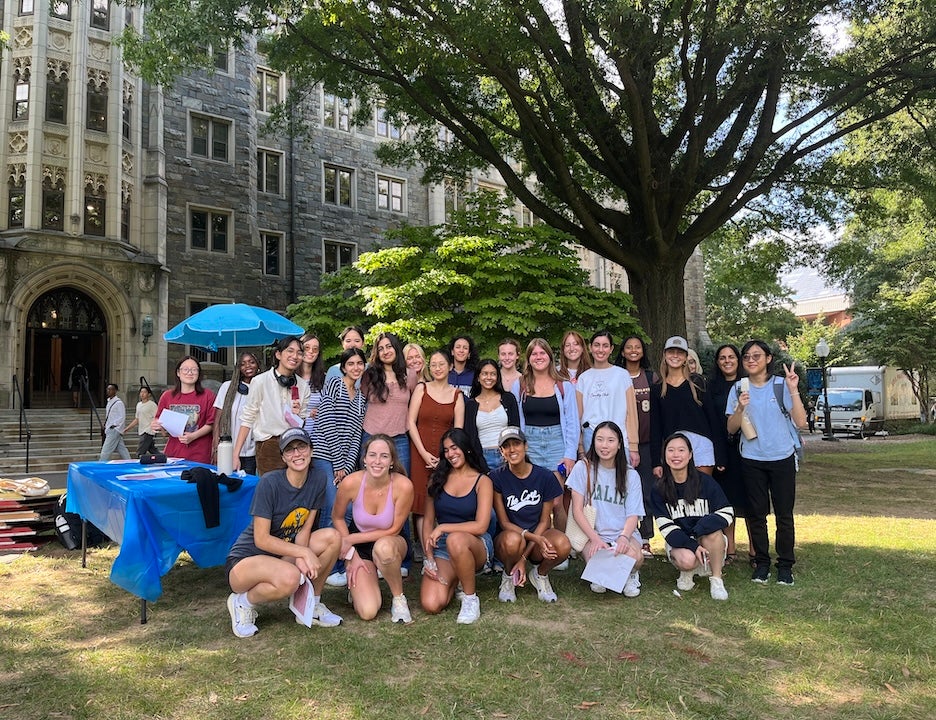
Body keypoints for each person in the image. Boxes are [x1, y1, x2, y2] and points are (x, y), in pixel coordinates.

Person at [225, 428, 343, 637]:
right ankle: (242, 602)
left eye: (301, 447)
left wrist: (302, 552)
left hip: (283, 554)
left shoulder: (317, 479)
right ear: (283, 457)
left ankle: (310, 605)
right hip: (246, 561)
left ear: (311, 450)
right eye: (289, 450)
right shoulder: (270, 482)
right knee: (290, 578)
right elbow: (261, 539)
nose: (297, 454)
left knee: (332, 538)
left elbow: (304, 529)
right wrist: (303, 553)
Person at [727, 340, 807, 586]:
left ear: (768, 358)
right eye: (747, 357)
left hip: (781, 457)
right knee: (756, 515)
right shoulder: (739, 388)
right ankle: (761, 563)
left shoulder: (781, 384)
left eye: (757, 355)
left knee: (784, 515)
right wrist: (740, 407)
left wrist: (793, 389)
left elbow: (801, 422)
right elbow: (731, 428)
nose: (751, 360)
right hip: (752, 459)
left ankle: (785, 565)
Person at [332, 434, 415, 623]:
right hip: (360, 549)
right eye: (372, 455)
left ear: (392, 461)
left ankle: (398, 598)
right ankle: (360, 587)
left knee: (383, 549)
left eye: (384, 456)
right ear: (364, 459)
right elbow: (336, 517)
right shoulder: (351, 482)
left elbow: (394, 529)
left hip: (391, 541)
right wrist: (351, 554)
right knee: (368, 611)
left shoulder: (403, 486)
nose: (377, 461)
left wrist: (351, 540)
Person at [420, 429, 494, 624]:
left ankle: (470, 598)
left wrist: (444, 528)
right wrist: (429, 558)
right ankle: (457, 578)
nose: (451, 454)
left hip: (474, 543)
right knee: (432, 603)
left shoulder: (482, 481)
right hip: (443, 547)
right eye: (446, 450)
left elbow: (481, 525)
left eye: (455, 447)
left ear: (466, 448)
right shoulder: (437, 479)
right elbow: (428, 522)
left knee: (456, 539)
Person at [651, 432, 734, 601]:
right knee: (687, 560)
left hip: (705, 537)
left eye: (681, 450)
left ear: (690, 455)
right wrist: (692, 543)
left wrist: (698, 531)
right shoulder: (659, 489)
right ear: (664, 455)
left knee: (714, 533)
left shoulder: (706, 482)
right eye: (671, 450)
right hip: (679, 542)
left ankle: (717, 579)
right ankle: (687, 572)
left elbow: (727, 512)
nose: (676, 455)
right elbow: (667, 529)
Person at [491, 427, 569, 603]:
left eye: (516, 443)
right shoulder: (496, 477)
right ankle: (508, 576)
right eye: (507, 446)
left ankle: (540, 575)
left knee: (562, 543)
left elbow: (544, 521)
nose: (512, 449)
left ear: (525, 446)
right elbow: (504, 522)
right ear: (501, 451)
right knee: (512, 541)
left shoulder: (545, 476)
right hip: (511, 537)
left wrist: (525, 556)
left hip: (538, 534)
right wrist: (532, 540)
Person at [566, 421, 644, 597]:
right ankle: (609, 573)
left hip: (623, 533)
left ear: (619, 444)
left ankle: (630, 574)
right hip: (592, 533)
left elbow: (633, 514)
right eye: (600, 439)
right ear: (593, 442)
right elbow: (577, 511)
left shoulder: (631, 475)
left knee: (636, 557)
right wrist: (594, 539)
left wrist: (624, 538)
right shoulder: (582, 468)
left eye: (610, 440)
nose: (604, 445)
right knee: (597, 558)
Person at [311, 347, 368, 587]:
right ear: (343, 367)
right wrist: (337, 463)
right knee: (333, 506)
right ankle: (328, 565)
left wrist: (347, 465)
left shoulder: (361, 397)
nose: (356, 367)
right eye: (351, 363)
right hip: (325, 455)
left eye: (359, 363)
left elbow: (356, 434)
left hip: (345, 462)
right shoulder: (334, 385)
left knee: (345, 509)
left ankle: (338, 560)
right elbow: (325, 420)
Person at [511, 338, 579, 532]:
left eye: (542, 353)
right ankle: (538, 546)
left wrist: (570, 455)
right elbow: (516, 421)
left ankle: (561, 547)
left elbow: (573, 423)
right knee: (534, 500)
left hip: (557, 443)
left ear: (550, 356)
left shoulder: (564, 386)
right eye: (534, 354)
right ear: (528, 358)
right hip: (530, 444)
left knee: (556, 501)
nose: (538, 357)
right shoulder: (520, 385)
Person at [408, 349, 465, 555]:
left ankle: (444, 546)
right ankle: (426, 553)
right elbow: (410, 422)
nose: (438, 368)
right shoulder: (421, 388)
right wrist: (423, 453)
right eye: (433, 364)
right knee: (422, 501)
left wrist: (445, 457)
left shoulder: (457, 395)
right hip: (419, 452)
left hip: (446, 455)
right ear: (428, 368)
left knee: (443, 498)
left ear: (450, 366)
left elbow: (458, 431)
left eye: (442, 364)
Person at [650, 336, 725, 479]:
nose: (675, 356)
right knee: (679, 495)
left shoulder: (698, 383)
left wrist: (720, 455)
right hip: (674, 448)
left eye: (680, 352)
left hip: (701, 445)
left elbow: (713, 420)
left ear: (685, 357)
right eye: (671, 351)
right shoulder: (657, 389)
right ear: (665, 355)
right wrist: (656, 462)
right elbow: (655, 428)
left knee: (702, 492)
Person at [233, 337, 308, 476]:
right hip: (268, 444)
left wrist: (297, 415)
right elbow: (247, 418)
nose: (295, 356)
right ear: (278, 354)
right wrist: (235, 454)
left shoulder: (303, 386)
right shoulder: (260, 381)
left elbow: (302, 421)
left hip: (294, 443)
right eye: (290, 351)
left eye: (299, 353)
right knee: (271, 491)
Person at [614, 335, 657, 557]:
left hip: (648, 442)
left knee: (647, 490)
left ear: (642, 351)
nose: (633, 350)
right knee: (621, 489)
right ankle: (622, 534)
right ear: (622, 352)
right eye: (628, 347)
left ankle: (647, 537)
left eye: (637, 347)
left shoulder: (651, 377)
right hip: (621, 443)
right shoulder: (616, 376)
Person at [707, 343, 749, 564]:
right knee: (727, 502)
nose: (727, 361)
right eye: (722, 358)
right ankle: (730, 548)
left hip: (751, 448)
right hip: (724, 448)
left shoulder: (749, 383)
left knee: (752, 500)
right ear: (717, 362)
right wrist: (718, 454)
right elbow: (713, 422)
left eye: (731, 357)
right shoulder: (711, 387)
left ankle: (755, 550)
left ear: (738, 359)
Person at [576, 331, 639, 464]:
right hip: (591, 437)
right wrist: (581, 447)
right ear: (590, 347)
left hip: (618, 437)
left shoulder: (622, 375)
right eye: (597, 345)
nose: (600, 350)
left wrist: (633, 446)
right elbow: (578, 416)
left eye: (605, 346)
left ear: (611, 349)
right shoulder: (583, 378)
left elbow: (631, 414)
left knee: (620, 480)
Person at [361, 332, 417, 474]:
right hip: (371, 435)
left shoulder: (410, 375)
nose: (385, 352)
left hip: (399, 438)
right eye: (381, 349)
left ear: (396, 348)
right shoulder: (370, 374)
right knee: (368, 481)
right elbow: (359, 403)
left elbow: (415, 406)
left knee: (401, 481)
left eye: (389, 347)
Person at [152, 357, 217, 463]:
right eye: (185, 369)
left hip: (200, 454)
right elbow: (161, 424)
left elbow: (211, 424)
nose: (189, 373)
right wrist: (157, 425)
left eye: (194, 370)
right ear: (178, 372)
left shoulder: (208, 395)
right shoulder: (167, 396)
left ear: (199, 373)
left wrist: (193, 436)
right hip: (174, 454)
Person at [463, 358, 521, 472]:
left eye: (493, 374)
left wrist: (511, 452)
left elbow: (515, 428)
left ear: (497, 377)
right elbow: (470, 437)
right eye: (484, 374)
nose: (489, 377)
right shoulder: (470, 405)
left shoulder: (508, 398)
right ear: (478, 377)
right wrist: (480, 461)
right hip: (482, 457)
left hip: (507, 454)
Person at [213, 352, 261, 475]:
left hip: (252, 452)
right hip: (227, 449)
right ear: (238, 368)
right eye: (243, 364)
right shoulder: (226, 387)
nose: (248, 366)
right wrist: (216, 449)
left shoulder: (263, 388)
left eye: (251, 362)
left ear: (258, 365)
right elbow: (218, 420)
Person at [298, 332, 326, 438]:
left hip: (317, 437)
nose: (311, 352)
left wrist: (321, 412)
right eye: (307, 348)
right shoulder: (289, 378)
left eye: (315, 349)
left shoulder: (324, 379)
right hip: (294, 436)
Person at [99, 383, 131, 461]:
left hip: (114, 429)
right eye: (108, 389)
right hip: (110, 428)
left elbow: (122, 416)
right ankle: (129, 462)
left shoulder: (119, 403)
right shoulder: (109, 402)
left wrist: (114, 425)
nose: (108, 391)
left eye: (111, 389)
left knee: (105, 451)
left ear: (115, 391)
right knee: (122, 449)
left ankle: (100, 465)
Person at [124, 386, 159, 457]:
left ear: (149, 394)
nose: (142, 394)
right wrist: (127, 428)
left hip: (148, 431)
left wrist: (161, 430)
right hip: (142, 430)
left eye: (144, 392)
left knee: (140, 452)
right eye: (141, 392)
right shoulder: (138, 405)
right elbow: (137, 419)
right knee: (153, 450)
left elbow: (157, 417)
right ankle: (164, 459)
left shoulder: (152, 405)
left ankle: (137, 465)